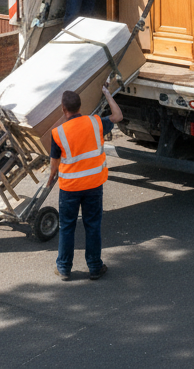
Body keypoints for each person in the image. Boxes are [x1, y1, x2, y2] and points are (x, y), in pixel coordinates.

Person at [49, 86, 123, 281]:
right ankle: (95, 267)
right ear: (80, 106)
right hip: (93, 185)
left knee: (67, 227)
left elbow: (54, 163)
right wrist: (107, 94)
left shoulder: (58, 133)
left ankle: (64, 268)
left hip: (69, 189)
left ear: (64, 109)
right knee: (92, 226)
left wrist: (50, 178)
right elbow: (118, 116)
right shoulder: (96, 123)